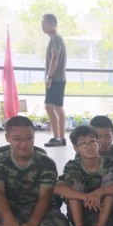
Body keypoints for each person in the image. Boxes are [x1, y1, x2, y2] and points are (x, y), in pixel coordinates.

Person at [0, 115, 69, 226]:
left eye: (29, 138)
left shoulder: (45, 162)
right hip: (8, 208)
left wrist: (33, 223)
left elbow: (45, 196)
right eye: (17, 139)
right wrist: (8, 218)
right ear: (8, 138)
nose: (24, 144)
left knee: (62, 224)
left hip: (37, 210)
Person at [54, 125, 113, 226]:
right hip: (81, 215)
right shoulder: (72, 165)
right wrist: (84, 197)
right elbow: (57, 187)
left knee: (111, 183)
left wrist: (100, 192)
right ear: (76, 148)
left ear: (98, 143)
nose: (89, 146)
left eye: (92, 141)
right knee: (72, 182)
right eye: (83, 143)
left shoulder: (110, 163)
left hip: (108, 219)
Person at [42, 13, 67, 147]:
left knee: (49, 107)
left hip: (56, 79)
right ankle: (62, 137)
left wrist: (49, 77)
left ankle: (57, 137)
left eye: (45, 23)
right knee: (58, 108)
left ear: (53, 24)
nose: (43, 26)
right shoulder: (56, 39)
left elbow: (55, 57)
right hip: (60, 79)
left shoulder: (55, 39)